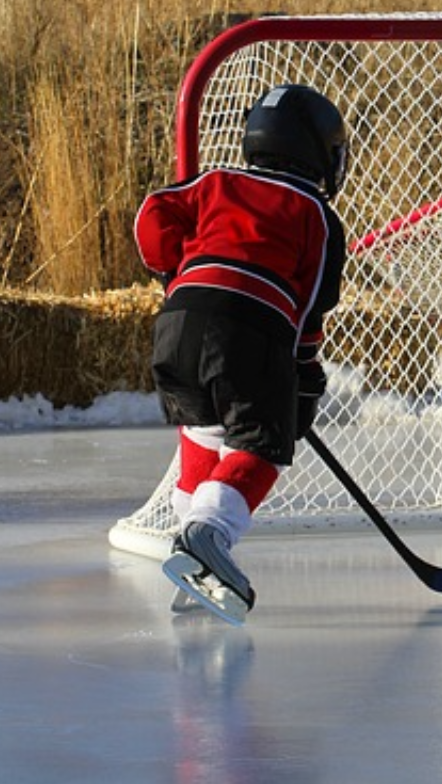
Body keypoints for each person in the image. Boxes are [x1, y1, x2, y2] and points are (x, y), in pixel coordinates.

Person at [133, 83, 348, 624]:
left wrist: (176, 272)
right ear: (321, 152)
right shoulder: (316, 213)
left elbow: (152, 215)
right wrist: (302, 374)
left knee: (203, 430)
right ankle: (210, 535)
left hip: (176, 323)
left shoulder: (215, 181)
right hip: (251, 329)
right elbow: (310, 303)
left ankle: (190, 560)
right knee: (261, 445)